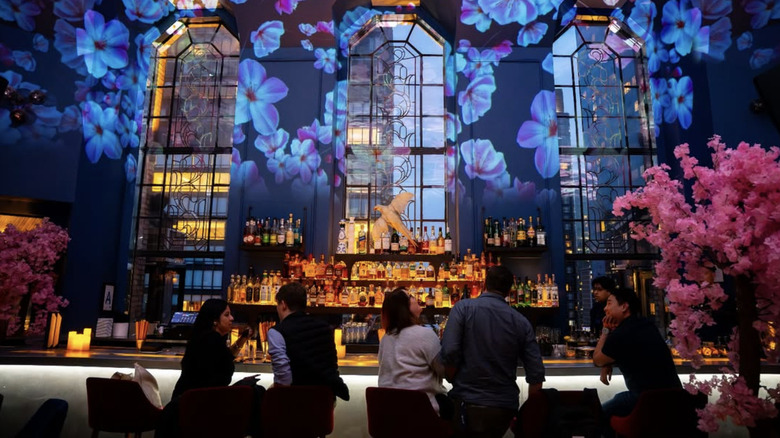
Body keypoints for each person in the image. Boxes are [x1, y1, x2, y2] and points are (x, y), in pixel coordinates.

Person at [440, 265, 545, 438]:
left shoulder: (463, 308)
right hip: (504, 407)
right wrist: (525, 416)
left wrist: (452, 378)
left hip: (466, 401)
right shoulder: (521, 321)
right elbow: (536, 375)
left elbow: (450, 351)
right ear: (510, 290)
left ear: (483, 284)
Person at [156, 299, 259, 438]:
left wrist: (243, 338)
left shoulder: (205, 338)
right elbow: (220, 371)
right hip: (200, 407)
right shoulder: (212, 341)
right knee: (257, 392)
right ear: (215, 320)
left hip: (185, 405)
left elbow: (226, 357)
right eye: (227, 315)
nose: (232, 318)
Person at [593, 288, 681, 437]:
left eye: (609, 303)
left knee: (596, 417)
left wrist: (605, 331)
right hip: (675, 399)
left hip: (645, 400)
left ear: (624, 306)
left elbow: (597, 360)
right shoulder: (647, 325)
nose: (605, 308)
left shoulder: (621, 334)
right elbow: (635, 352)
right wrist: (609, 363)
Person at [267, 282, 350, 401]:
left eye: (277, 305)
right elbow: (331, 365)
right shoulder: (324, 327)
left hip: (294, 403)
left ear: (283, 304)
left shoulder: (276, 332)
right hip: (324, 401)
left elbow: (284, 379)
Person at [378, 287, 450, 418]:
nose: (415, 297)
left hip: (389, 414)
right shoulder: (424, 334)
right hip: (422, 414)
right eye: (410, 296)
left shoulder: (385, 338)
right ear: (404, 308)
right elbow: (444, 370)